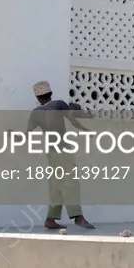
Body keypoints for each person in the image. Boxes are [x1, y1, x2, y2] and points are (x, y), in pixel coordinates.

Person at [26, 80, 95, 230]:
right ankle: (78, 216)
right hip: (63, 149)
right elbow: (73, 120)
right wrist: (86, 129)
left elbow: (26, 134)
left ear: (37, 97)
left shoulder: (35, 113)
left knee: (56, 185)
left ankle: (50, 219)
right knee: (71, 182)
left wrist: (14, 136)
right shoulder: (58, 104)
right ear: (50, 93)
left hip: (50, 152)